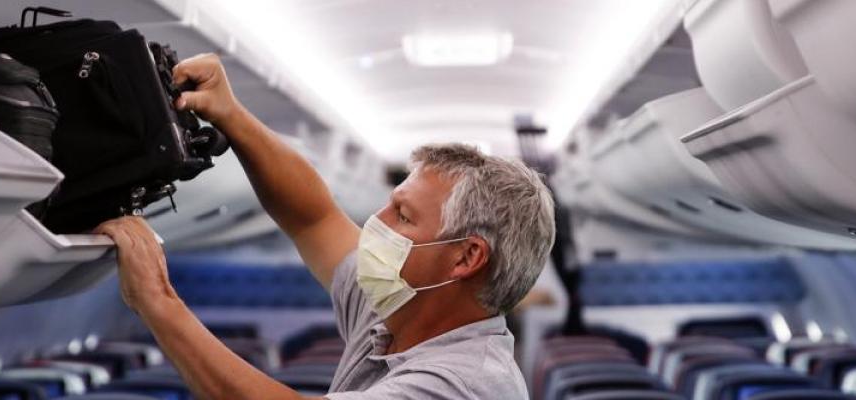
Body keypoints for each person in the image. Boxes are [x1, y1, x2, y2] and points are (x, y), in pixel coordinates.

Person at [94, 53, 557, 400]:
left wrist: (157, 301)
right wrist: (231, 115)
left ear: (466, 256)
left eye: (403, 215)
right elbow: (313, 216)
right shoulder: (396, 312)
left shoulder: (467, 383)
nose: (376, 222)